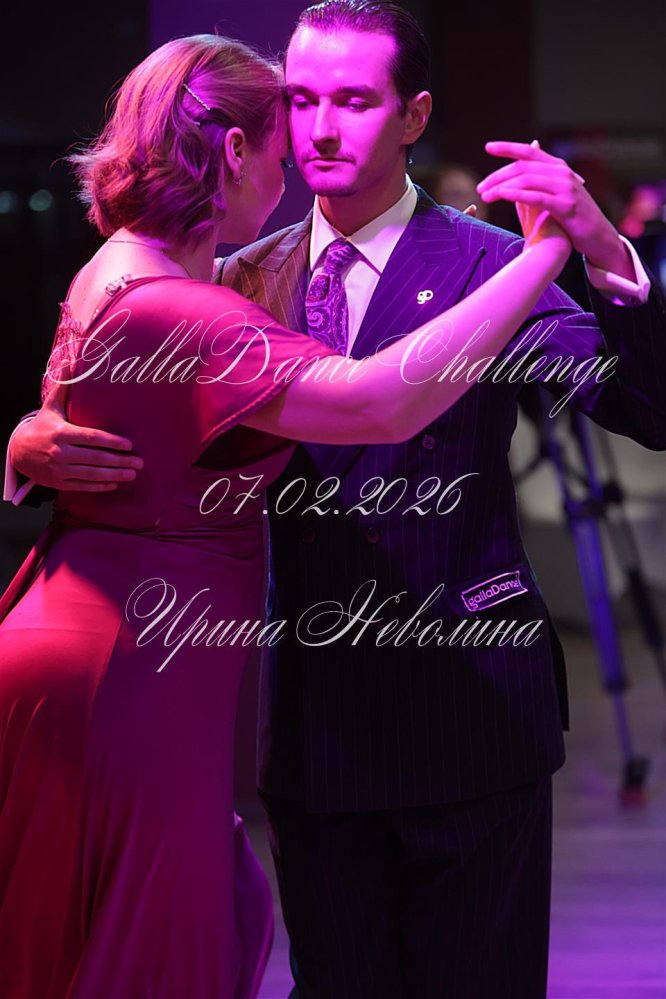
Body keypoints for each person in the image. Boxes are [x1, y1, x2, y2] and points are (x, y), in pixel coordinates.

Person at [0, 26, 581, 999]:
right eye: (291, 120)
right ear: (236, 151)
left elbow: (92, 393)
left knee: (113, 938)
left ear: (412, 116)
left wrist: (27, 438)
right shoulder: (207, 292)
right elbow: (373, 403)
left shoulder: (138, 270)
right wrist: (546, 256)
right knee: (148, 950)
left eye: (347, 103)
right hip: (150, 671)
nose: (308, 145)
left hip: (177, 660)